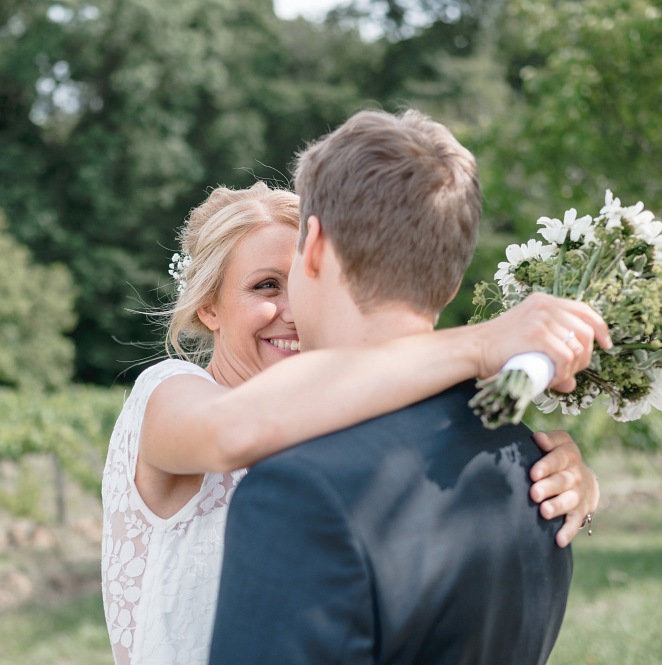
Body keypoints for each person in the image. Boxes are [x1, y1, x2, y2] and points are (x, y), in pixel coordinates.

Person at [102, 182, 609, 665]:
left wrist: (558, 483)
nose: (291, 310)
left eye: (303, 282)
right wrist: (479, 344)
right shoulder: (165, 392)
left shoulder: (330, 415)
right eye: (265, 286)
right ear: (209, 306)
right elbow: (230, 433)